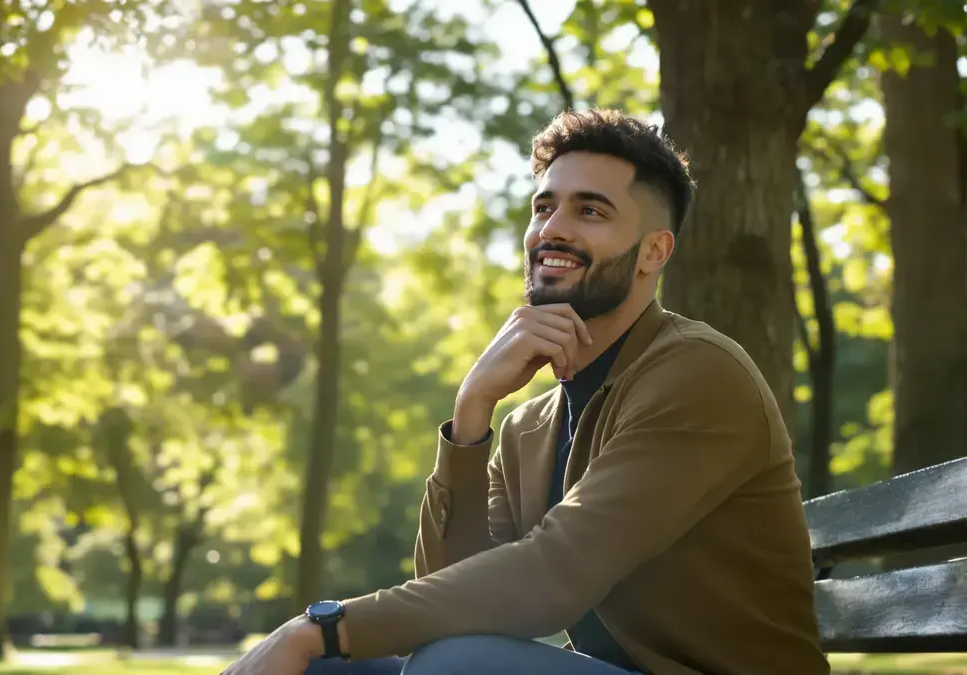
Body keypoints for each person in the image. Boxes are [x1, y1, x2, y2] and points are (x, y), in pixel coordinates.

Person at [221, 109, 828, 675]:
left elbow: (555, 576)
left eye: (591, 212)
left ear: (653, 252)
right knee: (328, 671)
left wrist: (322, 625)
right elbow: (452, 591)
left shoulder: (697, 373)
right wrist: (472, 412)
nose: (552, 230)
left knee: (454, 665)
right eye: (544, 208)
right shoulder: (531, 425)